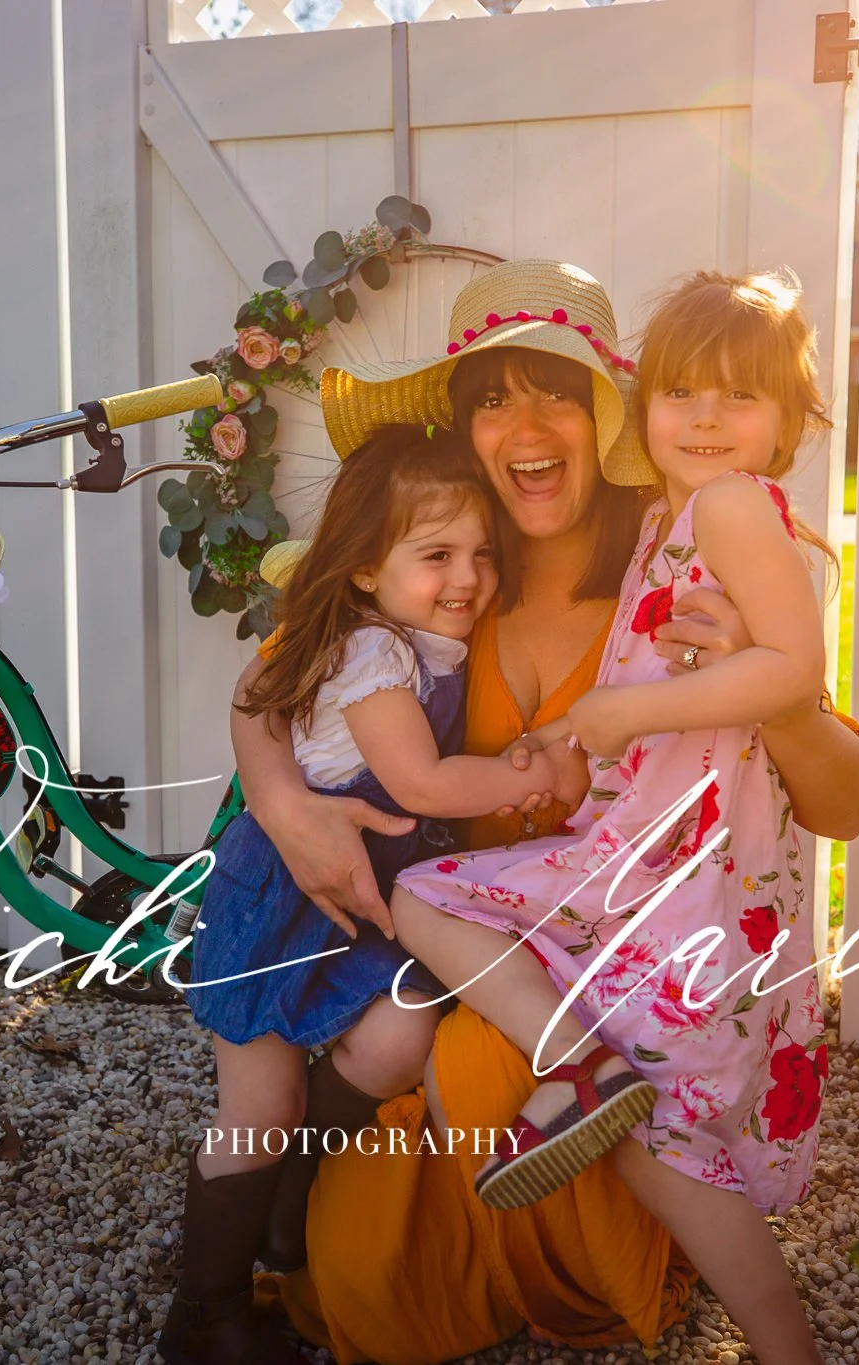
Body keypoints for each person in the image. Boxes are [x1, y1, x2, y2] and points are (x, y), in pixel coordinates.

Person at [232, 261, 859, 1365]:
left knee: (495, 1068)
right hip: (480, 960)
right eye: (490, 397)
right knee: (366, 1290)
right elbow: (273, 677)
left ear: (603, 414)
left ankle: (614, 1239)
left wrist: (778, 698)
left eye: (554, 393)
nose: (524, 425)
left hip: (628, 953)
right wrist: (282, 799)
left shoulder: (692, 548)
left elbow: (844, 804)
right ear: (463, 430)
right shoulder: (437, 572)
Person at [389, 269, 836, 1356]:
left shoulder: (728, 509)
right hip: (642, 849)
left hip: (684, 869)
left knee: (424, 897)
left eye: (738, 398)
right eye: (682, 393)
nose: (704, 419)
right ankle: (781, 1340)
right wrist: (570, 738)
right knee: (659, 1124)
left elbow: (791, 669)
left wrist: (621, 710)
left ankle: (575, 1071)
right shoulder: (661, 530)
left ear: (790, 422)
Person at [162, 424, 576, 1365]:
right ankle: (206, 1313)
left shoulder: (417, 638)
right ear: (360, 569)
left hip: (366, 906)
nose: (467, 576)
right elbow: (424, 785)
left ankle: (292, 1189)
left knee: (397, 1032)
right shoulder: (374, 655)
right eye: (436, 555)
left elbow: (262, 686)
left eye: (481, 553)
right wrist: (529, 777)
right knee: (257, 1100)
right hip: (279, 904)